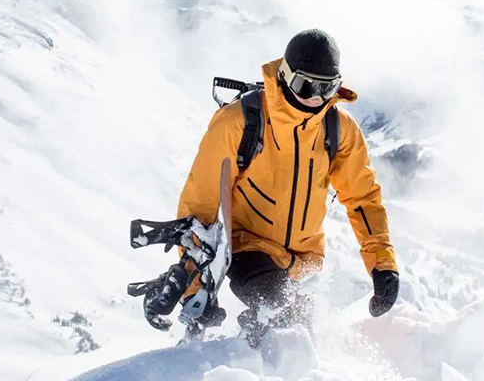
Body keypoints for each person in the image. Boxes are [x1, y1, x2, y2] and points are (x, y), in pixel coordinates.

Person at [149, 29, 399, 346]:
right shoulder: (239, 121)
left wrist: (382, 264)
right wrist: (194, 283)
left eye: (327, 88)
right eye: (306, 85)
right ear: (285, 76)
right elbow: (200, 205)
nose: (316, 98)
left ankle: (253, 355)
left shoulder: (338, 128)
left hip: (305, 262)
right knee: (280, 321)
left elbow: (362, 198)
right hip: (248, 247)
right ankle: (235, 358)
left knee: (303, 332)